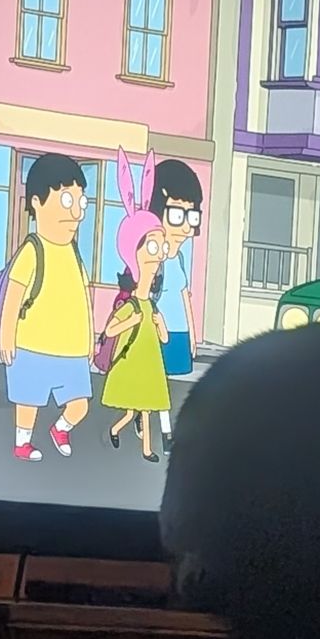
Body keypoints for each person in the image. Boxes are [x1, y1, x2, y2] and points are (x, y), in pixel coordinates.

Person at [0, 154, 93, 462]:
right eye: (67, 200)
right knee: (28, 402)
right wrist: (6, 336)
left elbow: (84, 300)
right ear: (37, 202)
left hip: (72, 349)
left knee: (80, 405)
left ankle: (59, 428)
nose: (76, 212)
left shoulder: (75, 253)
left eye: (81, 202)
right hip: (32, 345)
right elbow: (13, 295)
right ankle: (22, 443)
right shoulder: (32, 250)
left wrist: (90, 341)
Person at [102, 148, 172, 463]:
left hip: (149, 361)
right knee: (134, 409)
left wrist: (160, 325)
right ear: (134, 252)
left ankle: (141, 446)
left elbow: (165, 338)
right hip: (132, 359)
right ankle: (120, 433)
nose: (159, 255)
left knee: (143, 408)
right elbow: (110, 328)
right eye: (153, 245)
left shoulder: (151, 306)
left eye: (161, 245)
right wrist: (132, 323)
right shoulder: (131, 304)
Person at [134, 158, 203, 453]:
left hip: (177, 330)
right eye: (177, 214)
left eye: (192, 216)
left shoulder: (181, 258)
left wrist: (193, 332)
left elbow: (185, 295)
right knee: (157, 383)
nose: (186, 225)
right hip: (156, 328)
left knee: (160, 379)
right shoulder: (152, 258)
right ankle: (160, 430)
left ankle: (141, 412)